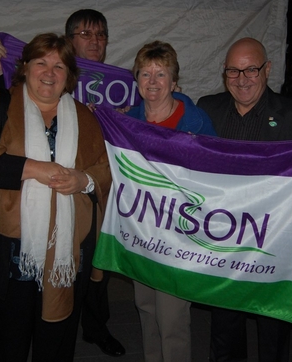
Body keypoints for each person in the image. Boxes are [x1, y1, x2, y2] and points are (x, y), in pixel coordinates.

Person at [197, 37, 292, 362]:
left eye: (250, 69)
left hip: (273, 247)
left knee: (272, 337)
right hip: (223, 242)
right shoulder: (207, 110)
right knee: (224, 335)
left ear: (267, 69)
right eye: (232, 71)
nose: (242, 79)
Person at [0, 9, 126, 357]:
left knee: (57, 340)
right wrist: (33, 168)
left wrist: (85, 179)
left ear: (70, 76)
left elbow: (108, 168)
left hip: (68, 253)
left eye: (59, 66)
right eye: (41, 64)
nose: (49, 73)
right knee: (8, 339)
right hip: (15, 249)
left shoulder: (85, 118)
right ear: (25, 68)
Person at [124, 40, 215, 362]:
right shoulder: (128, 121)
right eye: (145, 74)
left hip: (179, 234)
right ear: (136, 80)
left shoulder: (196, 122)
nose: (152, 82)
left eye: (160, 74)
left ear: (174, 82)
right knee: (146, 306)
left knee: (172, 316)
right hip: (141, 231)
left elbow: (216, 177)